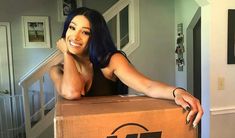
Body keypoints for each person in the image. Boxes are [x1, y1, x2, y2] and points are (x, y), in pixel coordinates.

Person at [50, 7, 203, 128]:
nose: (75, 37)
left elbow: (147, 86)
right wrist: (67, 53)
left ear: (95, 36)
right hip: (80, 135)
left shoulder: (111, 61)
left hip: (114, 132)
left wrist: (178, 91)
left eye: (85, 32)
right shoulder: (57, 70)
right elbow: (72, 92)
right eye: (72, 28)